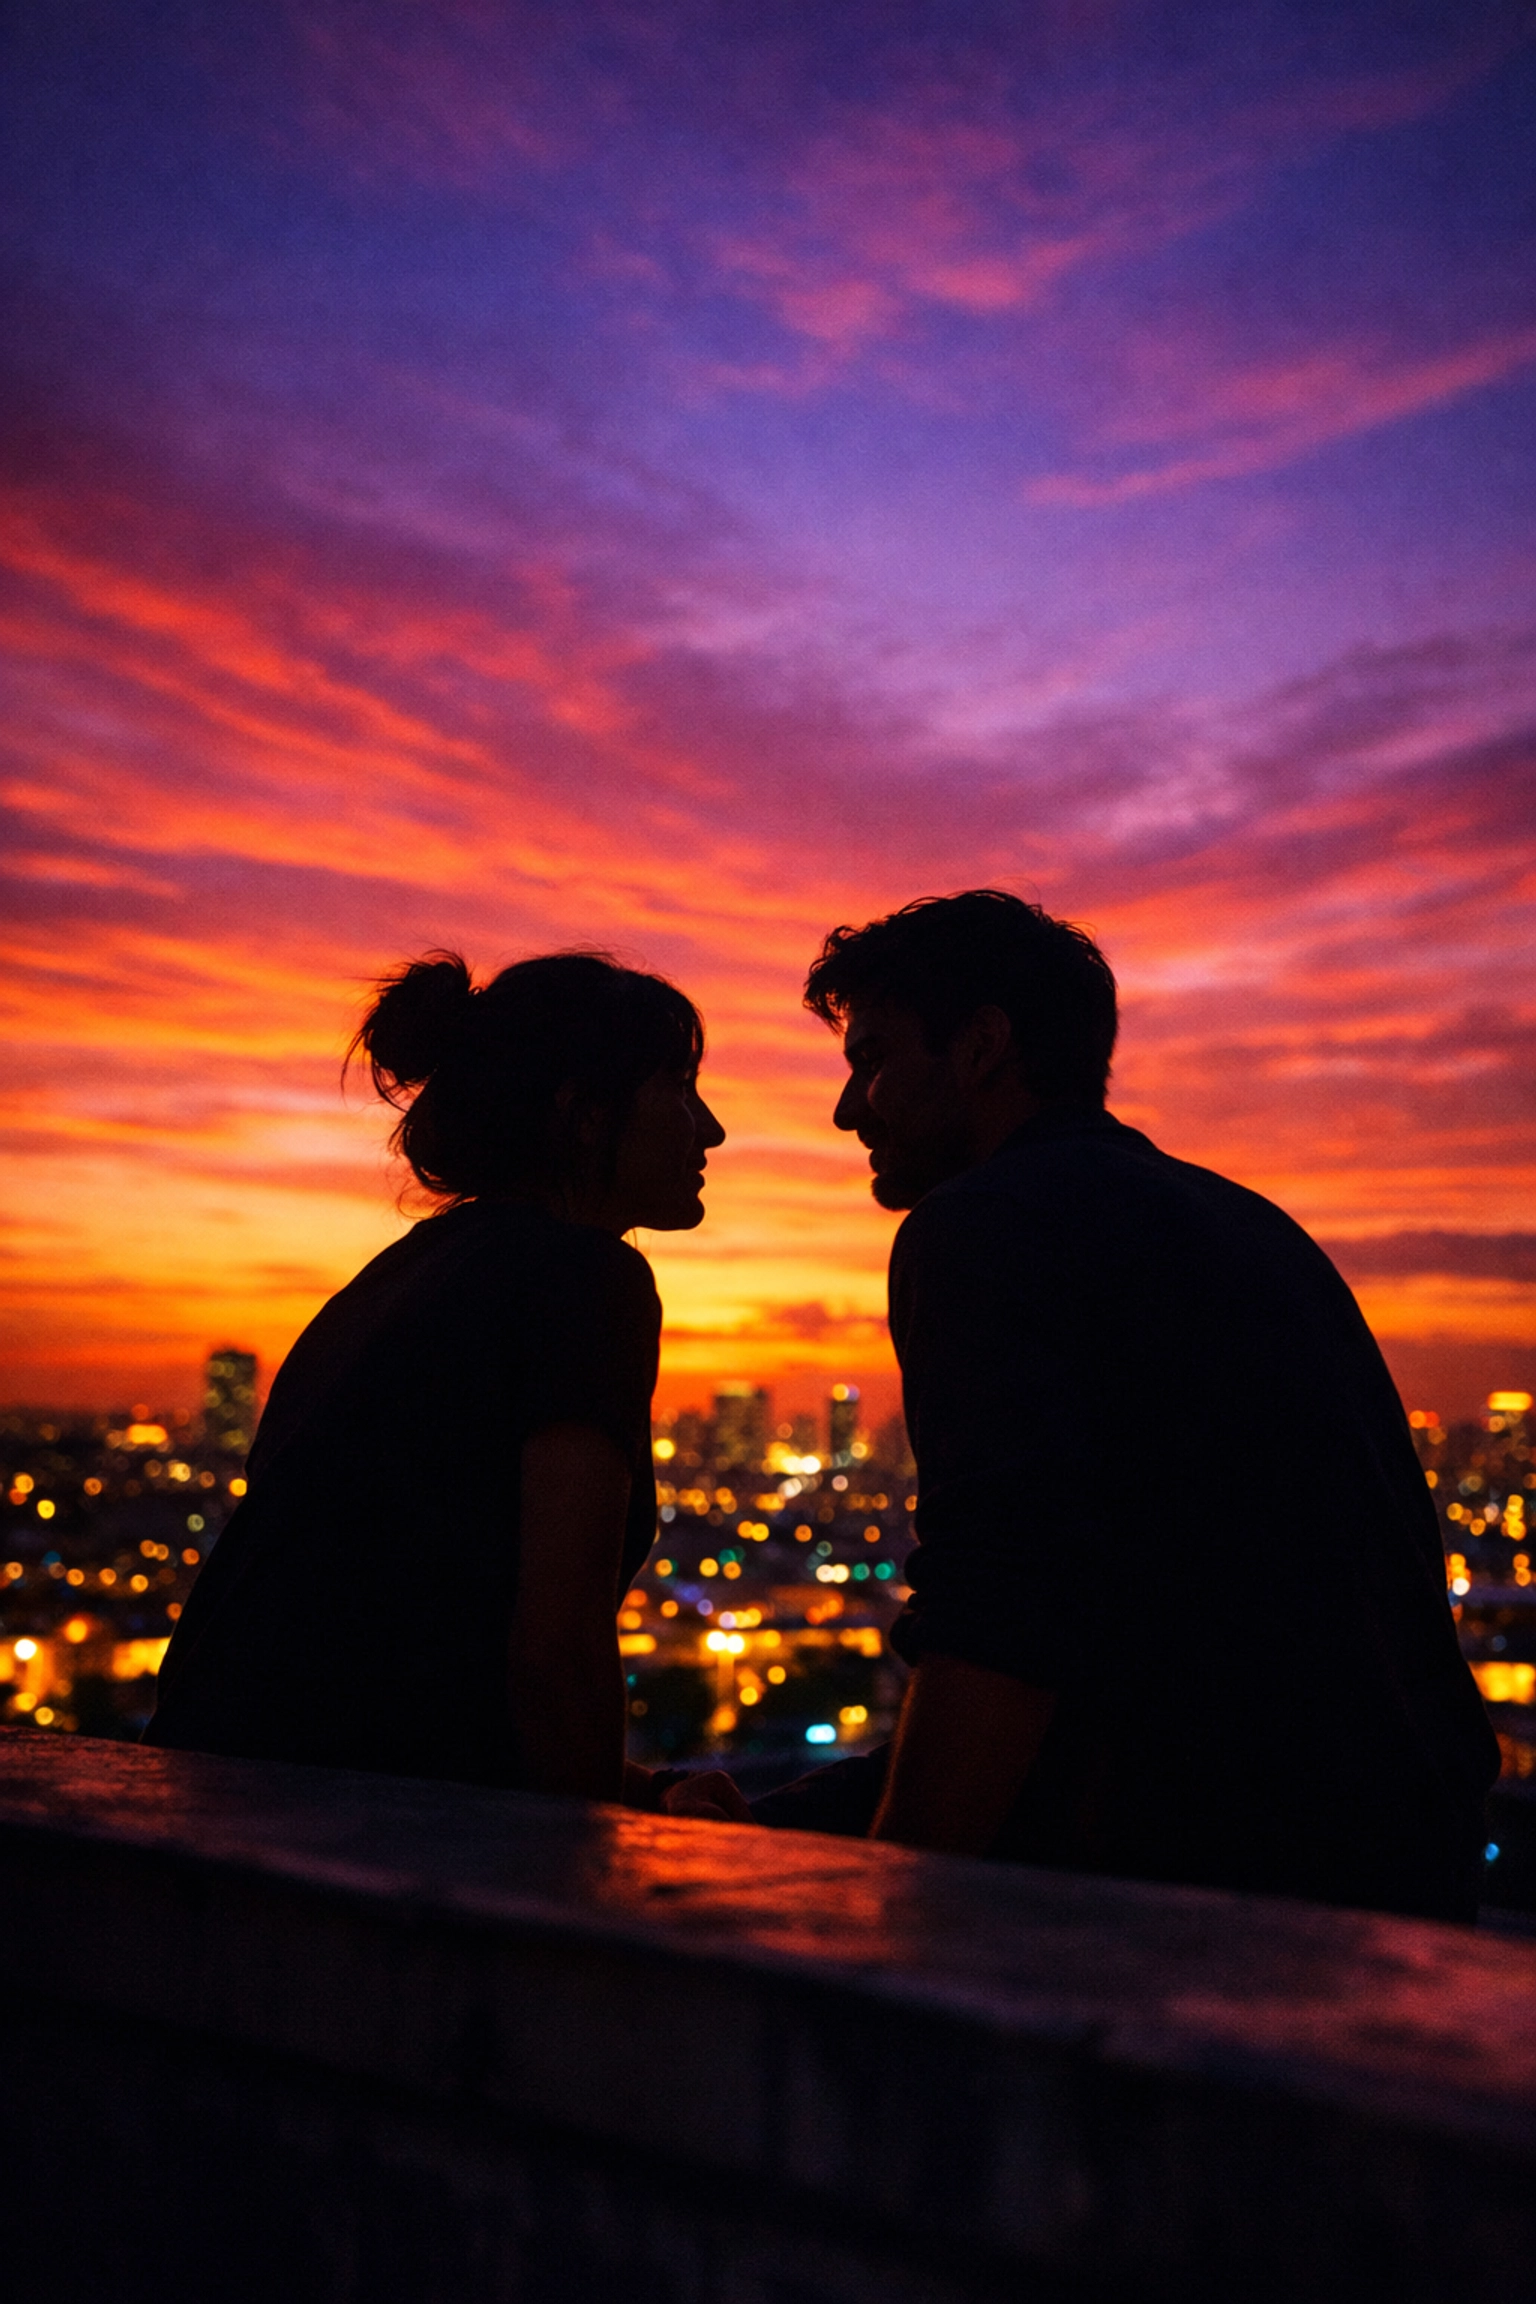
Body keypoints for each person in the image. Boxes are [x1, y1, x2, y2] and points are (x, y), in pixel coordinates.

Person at [758, 889, 1497, 1922]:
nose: (849, 1109)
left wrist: (896, 1905)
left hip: (1201, 1890)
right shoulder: (1249, 1225)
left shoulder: (985, 1226)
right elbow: (1137, 1617)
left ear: (979, 1048)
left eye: (871, 1057)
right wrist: (811, 1808)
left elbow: (1011, 1610)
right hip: (1394, 1857)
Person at [147, 949, 746, 1819]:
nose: (710, 1128)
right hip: (350, 1838)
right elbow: (555, 1648)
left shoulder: (394, 1284)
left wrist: (640, 1792)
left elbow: (399, 1647)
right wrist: (593, 1870)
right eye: (679, 1087)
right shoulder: (583, 1278)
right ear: (583, 1116)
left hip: (232, 1800)